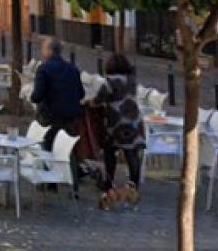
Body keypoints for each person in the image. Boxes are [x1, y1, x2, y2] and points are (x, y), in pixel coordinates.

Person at [29, 39, 86, 185]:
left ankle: (50, 181)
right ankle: (73, 182)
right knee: (68, 148)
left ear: (49, 51)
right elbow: (81, 93)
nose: (42, 53)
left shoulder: (43, 69)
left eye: (43, 49)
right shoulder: (73, 68)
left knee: (46, 145)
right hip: (70, 116)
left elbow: (37, 96)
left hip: (50, 116)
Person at [94, 55, 145, 192]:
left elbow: (98, 99)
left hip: (116, 122)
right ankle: (134, 184)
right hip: (134, 120)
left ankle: (109, 182)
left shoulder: (109, 82)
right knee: (132, 154)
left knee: (110, 152)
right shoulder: (132, 81)